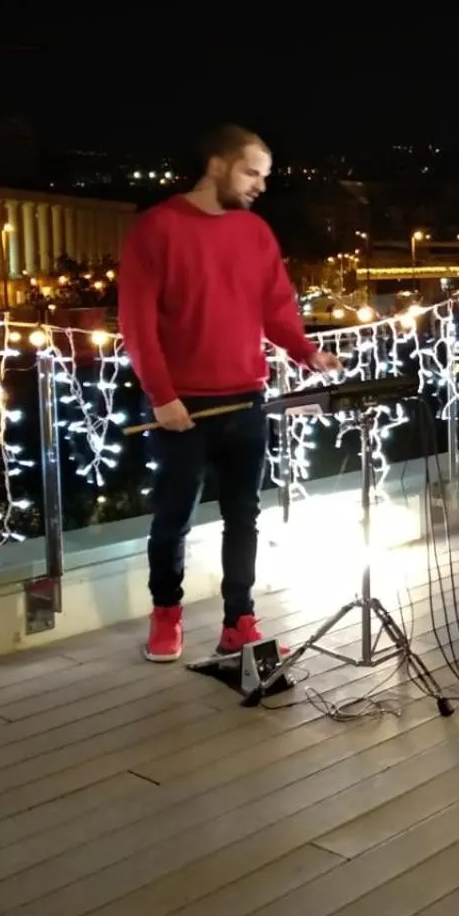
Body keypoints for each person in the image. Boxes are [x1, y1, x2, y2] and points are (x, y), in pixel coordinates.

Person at [119, 124, 339, 665]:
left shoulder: (256, 233)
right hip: (184, 407)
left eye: (265, 175)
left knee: (245, 516)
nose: (260, 185)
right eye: (251, 172)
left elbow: (276, 309)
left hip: (247, 398)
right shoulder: (156, 228)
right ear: (216, 165)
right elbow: (137, 325)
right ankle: (165, 613)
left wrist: (306, 352)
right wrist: (162, 396)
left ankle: (238, 621)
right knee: (173, 516)